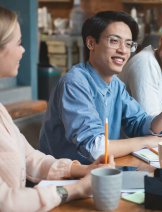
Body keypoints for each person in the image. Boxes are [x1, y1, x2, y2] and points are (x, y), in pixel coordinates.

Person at [0, 6, 114, 211]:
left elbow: (29, 157)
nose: (24, 50)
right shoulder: (74, 81)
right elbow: (6, 202)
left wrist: (82, 169)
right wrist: (76, 189)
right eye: (19, 43)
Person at [39, 11, 162, 164]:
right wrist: (145, 142)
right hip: (64, 178)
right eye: (114, 41)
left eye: (129, 44)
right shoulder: (75, 82)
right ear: (91, 43)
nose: (123, 50)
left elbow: (139, 124)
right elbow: (95, 148)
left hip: (101, 172)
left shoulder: (116, 84)